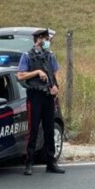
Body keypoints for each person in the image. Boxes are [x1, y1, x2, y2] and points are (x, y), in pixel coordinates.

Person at [17, 28, 65, 176]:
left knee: (49, 130)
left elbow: (56, 74)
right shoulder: (27, 56)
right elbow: (20, 75)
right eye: (46, 39)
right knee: (33, 130)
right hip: (35, 97)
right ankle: (29, 163)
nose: (48, 42)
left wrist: (56, 87)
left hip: (48, 97)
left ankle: (51, 162)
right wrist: (37, 72)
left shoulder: (51, 56)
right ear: (38, 40)